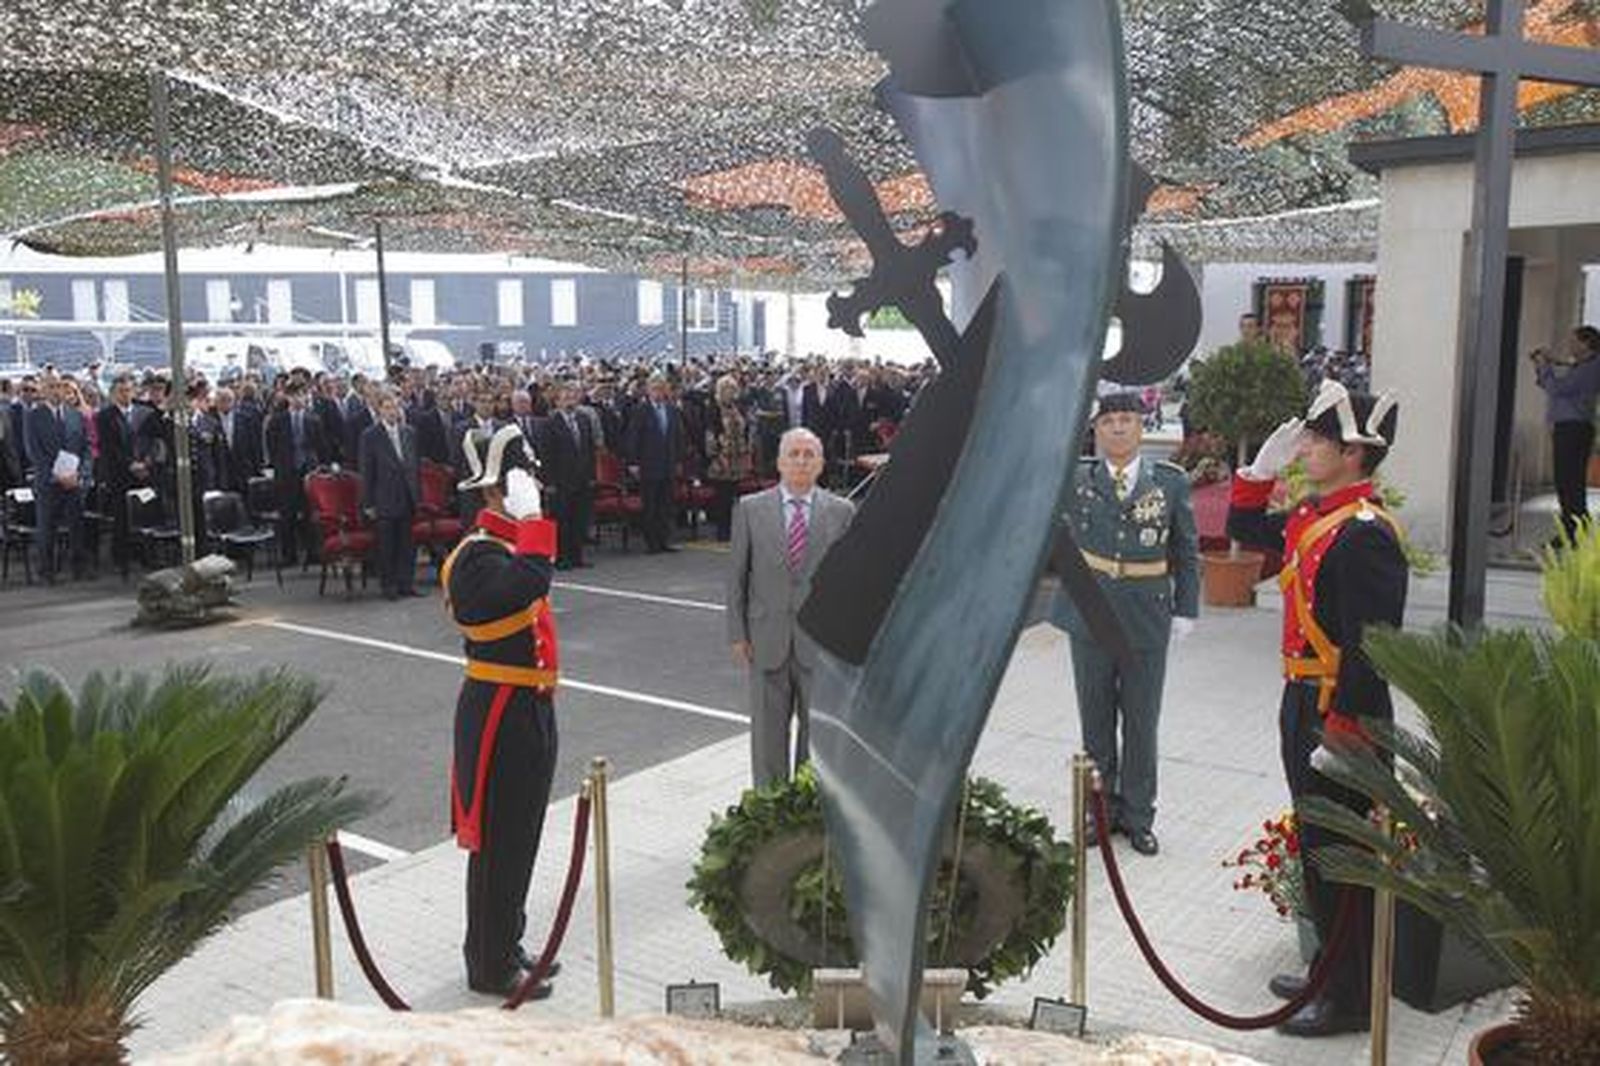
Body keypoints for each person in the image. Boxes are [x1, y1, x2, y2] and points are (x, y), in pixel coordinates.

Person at [1226, 379, 1407, 1038]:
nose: (1303, 446)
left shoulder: (1366, 535)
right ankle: (1329, 972)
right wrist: (1255, 474)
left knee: (1341, 855)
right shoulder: (1318, 516)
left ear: (1354, 452)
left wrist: (1347, 725)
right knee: (1316, 845)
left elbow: (1373, 644)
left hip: (1339, 711)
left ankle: (1351, 997)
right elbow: (1244, 529)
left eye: (1315, 438)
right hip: (1302, 700)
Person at [1048, 392, 1199, 857]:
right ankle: (1101, 813)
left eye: (1126, 420)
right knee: (1095, 718)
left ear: (1142, 428)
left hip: (1145, 612)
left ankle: (1138, 816)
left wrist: (1186, 608)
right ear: (1096, 429)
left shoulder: (1169, 483)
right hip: (1090, 609)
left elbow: (1185, 549)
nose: (1117, 428)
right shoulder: (1075, 478)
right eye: (1109, 420)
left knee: (1140, 719)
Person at [441, 424, 561, 997]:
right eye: (521, 478)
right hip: (498, 710)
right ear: (493, 491)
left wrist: (530, 526)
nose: (532, 485)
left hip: (528, 704)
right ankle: (488, 967)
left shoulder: (505, 548)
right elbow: (527, 584)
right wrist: (535, 522)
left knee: (524, 835)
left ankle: (507, 941)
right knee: (498, 842)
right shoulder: (475, 557)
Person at [725, 427, 855, 786]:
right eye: (794, 454)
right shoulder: (751, 509)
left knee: (816, 737)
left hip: (819, 642)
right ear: (780, 461)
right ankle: (768, 807)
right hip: (765, 639)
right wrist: (737, 633)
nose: (801, 461)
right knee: (767, 735)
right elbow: (737, 576)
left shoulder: (842, 512)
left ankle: (806, 808)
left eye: (809, 454)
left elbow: (848, 584)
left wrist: (843, 638)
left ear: (821, 463)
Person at [1532, 325, 1600, 543]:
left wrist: (1545, 367)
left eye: (1574, 341)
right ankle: (1574, 528)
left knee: (1569, 481)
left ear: (1586, 344)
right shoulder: (1585, 365)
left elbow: (1559, 389)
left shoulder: (1591, 368)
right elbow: (1552, 383)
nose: (1570, 345)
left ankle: (1573, 531)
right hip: (1570, 429)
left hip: (1573, 429)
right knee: (1567, 481)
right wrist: (1545, 366)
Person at [23, 374, 92, 583]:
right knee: (47, 528)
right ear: (43, 390)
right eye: (51, 386)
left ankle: (78, 568)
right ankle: (46, 571)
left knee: (77, 526)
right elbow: (33, 451)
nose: (56, 390)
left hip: (73, 481)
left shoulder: (75, 415)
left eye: (59, 386)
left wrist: (79, 474)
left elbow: (85, 448)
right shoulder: (33, 416)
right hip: (48, 482)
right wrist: (58, 474)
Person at [360, 389, 422, 599]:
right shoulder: (370, 435)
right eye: (387, 407)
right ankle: (389, 585)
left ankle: (406, 583)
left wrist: (417, 495)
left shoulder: (409, 432)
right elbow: (367, 471)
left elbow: (415, 467)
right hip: (384, 496)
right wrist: (368, 502)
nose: (392, 411)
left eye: (395, 406)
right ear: (379, 410)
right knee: (387, 544)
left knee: (407, 543)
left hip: (407, 495)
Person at [264, 383, 329, 566]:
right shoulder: (277, 420)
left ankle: (313, 552)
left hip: (309, 471)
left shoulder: (313, 419)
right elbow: (272, 446)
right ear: (288, 398)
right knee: (287, 514)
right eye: (294, 396)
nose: (298, 399)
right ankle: (289, 555)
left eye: (301, 395)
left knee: (311, 514)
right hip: (287, 472)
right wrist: (278, 466)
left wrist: (321, 468)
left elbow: (321, 446)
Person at [536, 382, 596, 569]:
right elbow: (545, 454)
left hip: (582, 478)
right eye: (566, 396)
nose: (570, 400)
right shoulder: (550, 423)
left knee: (579, 519)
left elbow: (589, 449)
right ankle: (561, 557)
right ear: (558, 401)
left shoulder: (583, 420)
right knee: (562, 520)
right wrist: (549, 482)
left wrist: (592, 474)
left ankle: (577, 556)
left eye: (573, 396)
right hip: (560, 480)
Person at [623, 375, 684, 553]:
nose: (659, 392)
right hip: (649, 463)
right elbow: (633, 437)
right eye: (655, 388)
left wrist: (678, 459)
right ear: (649, 390)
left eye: (661, 388)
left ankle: (664, 540)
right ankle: (652, 542)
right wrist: (633, 462)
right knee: (651, 505)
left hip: (668, 463)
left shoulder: (671, 410)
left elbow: (677, 436)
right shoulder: (640, 410)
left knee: (666, 504)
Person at [705, 374, 754, 542]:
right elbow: (710, 433)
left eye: (732, 390)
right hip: (722, 457)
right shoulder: (713, 408)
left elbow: (745, 429)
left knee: (734, 493)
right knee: (723, 495)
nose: (730, 393)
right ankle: (722, 530)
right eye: (726, 390)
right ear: (720, 391)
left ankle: (733, 527)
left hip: (738, 456)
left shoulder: (737, 407)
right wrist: (716, 454)